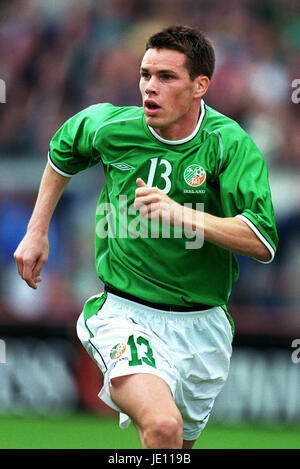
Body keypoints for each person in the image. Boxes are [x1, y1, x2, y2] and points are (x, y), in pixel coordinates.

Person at [14, 25, 278, 449]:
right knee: (163, 427)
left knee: (169, 445)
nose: (149, 88)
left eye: (166, 77)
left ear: (200, 86)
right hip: (124, 313)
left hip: (203, 325)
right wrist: (36, 230)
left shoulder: (229, 145)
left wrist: (184, 217)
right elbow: (62, 150)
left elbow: (262, 241)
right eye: (145, 74)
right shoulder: (111, 126)